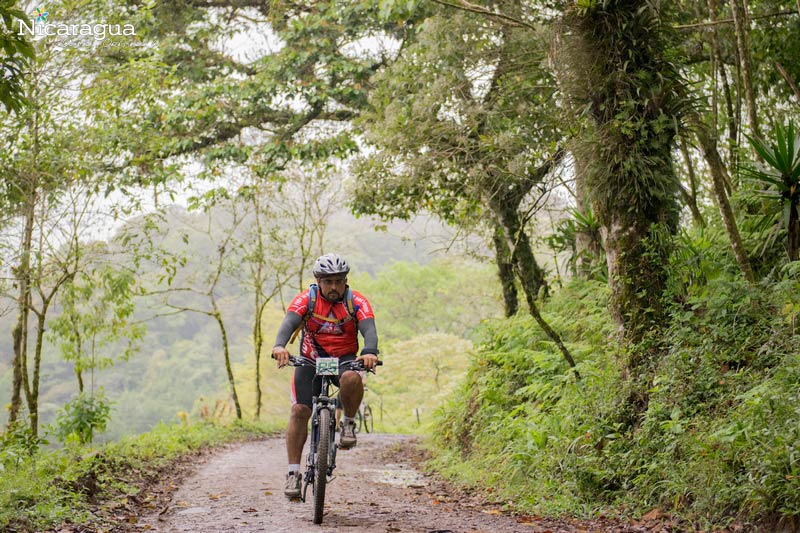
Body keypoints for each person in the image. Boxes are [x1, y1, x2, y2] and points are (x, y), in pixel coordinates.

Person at [272, 253, 379, 499]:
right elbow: (289, 323)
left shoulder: (357, 302)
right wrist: (280, 346)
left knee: (353, 378)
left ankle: (349, 423)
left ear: (345, 281)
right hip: (311, 360)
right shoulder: (306, 300)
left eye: (339, 281)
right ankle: (293, 473)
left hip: (343, 359)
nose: (334, 287)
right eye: (328, 281)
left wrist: (370, 352)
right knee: (299, 411)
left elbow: (369, 330)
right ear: (318, 281)